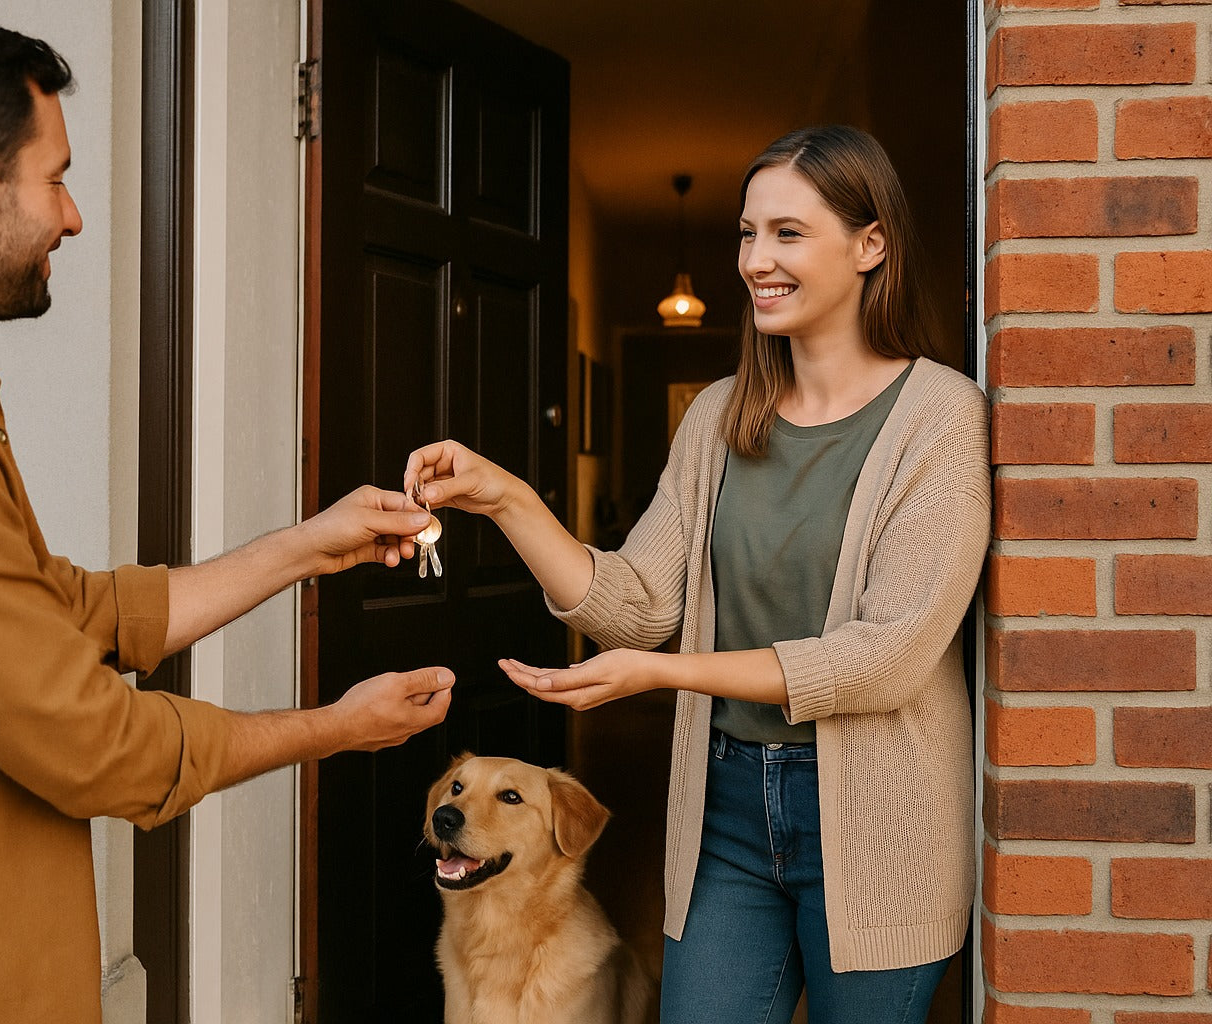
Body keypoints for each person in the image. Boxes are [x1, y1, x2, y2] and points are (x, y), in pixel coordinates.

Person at [0, 19, 453, 1024]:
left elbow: (70, 610)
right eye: (55, 176)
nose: (71, 216)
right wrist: (337, 726)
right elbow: (94, 741)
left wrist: (306, 545)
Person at [404, 125, 989, 1023]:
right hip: (725, 811)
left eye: (788, 233)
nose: (757, 258)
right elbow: (636, 604)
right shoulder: (720, 418)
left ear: (872, 245)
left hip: (879, 821)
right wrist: (505, 497)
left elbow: (887, 656)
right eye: (748, 234)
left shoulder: (940, 418)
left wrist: (666, 674)